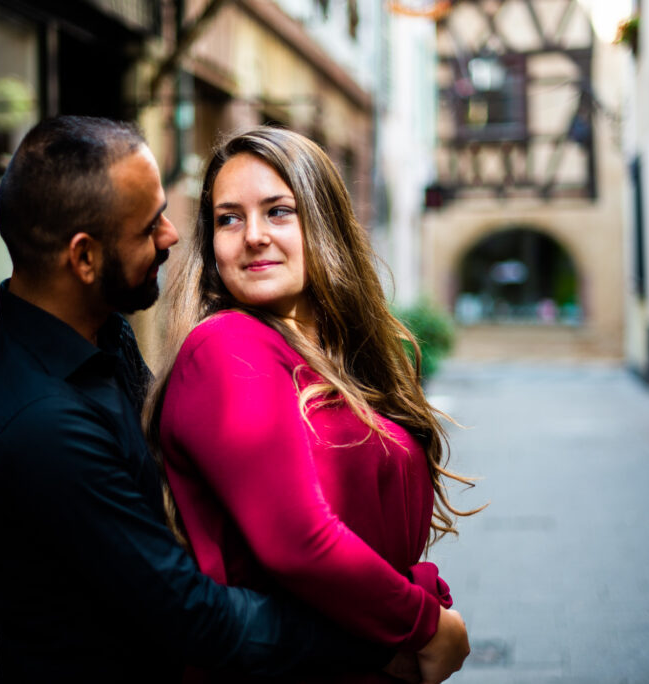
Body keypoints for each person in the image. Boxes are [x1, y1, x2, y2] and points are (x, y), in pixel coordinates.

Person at [0, 115, 468, 683]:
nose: (173, 235)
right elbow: (190, 611)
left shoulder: (99, 334)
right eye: (149, 227)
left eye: (279, 210)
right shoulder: (40, 422)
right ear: (84, 259)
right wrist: (396, 634)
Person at [145, 126, 481, 683]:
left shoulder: (330, 354)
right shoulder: (228, 346)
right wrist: (425, 624)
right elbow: (296, 541)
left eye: (278, 211)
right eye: (229, 218)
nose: (253, 235)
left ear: (322, 221)